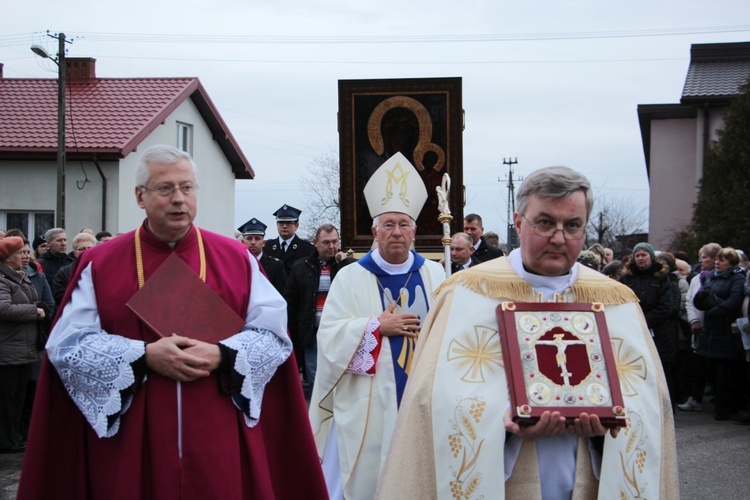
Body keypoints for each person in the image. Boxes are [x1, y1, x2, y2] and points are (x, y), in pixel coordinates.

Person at [18, 145, 327, 498]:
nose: (179, 199)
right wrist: (142, 355)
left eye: (187, 187)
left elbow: (273, 336)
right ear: (140, 196)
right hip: (134, 432)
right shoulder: (102, 263)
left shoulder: (236, 258)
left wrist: (223, 355)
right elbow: (68, 345)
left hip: (217, 424)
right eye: (165, 188)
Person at [377, 166, 677, 499]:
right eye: (545, 222)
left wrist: (602, 429)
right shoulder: (466, 295)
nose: (559, 237)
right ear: (519, 223)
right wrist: (508, 421)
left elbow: (653, 407)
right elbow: (430, 403)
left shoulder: (615, 301)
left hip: (589, 482)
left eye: (573, 225)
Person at [310, 152, 445, 500]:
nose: (396, 232)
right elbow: (328, 338)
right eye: (388, 225)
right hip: (367, 400)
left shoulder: (435, 274)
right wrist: (374, 327)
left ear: (415, 229)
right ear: (375, 230)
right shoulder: (351, 277)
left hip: (421, 396)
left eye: (403, 224)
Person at [284, 224, 355, 389]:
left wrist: (344, 262)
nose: (331, 246)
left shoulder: (346, 267)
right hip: (312, 333)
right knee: (316, 378)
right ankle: (317, 413)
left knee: (341, 377)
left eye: (335, 242)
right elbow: (290, 303)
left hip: (340, 332)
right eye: (326, 242)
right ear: (315, 242)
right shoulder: (301, 267)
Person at [0, 236, 47, 453]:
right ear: (8, 257)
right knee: (8, 400)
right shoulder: (2, 279)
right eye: (20, 253)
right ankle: (7, 440)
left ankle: (15, 437)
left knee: (19, 397)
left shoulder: (19, 276)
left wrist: (39, 306)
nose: (25, 256)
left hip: (23, 348)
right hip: (9, 349)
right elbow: (3, 309)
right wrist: (33, 311)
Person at [688, 247, 747, 420]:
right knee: (714, 370)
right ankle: (720, 407)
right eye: (717, 260)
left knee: (725, 372)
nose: (717, 263)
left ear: (731, 262)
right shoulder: (713, 276)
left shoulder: (737, 278)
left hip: (726, 329)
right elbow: (703, 295)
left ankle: (726, 409)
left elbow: (735, 300)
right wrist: (700, 299)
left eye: (722, 260)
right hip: (712, 330)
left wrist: (716, 311)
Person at [621, 242, 676, 408]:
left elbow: (666, 306)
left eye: (643, 255)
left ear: (651, 257)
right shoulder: (627, 278)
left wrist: (644, 320)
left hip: (659, 332)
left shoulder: (662, 277)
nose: (640, 258)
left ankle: (665, 407)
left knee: (662, 371)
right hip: (634, 330)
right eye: (637, 255)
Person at [263, 204, 316, 277]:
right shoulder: (267, 247)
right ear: (277, 225)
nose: (284, 226)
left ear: (297, 226)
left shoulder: (307, 249)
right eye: (281, 223)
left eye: (288, 223)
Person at [238, 217, 287, 294]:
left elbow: (282, 294)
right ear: (242, 242)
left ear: (264, 243)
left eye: (257, 238)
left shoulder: (275, 266)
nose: (253, 242)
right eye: (249, 238)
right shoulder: (237, 265)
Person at [51, 232, 97, 305]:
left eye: (90, 248)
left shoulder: (104, 270)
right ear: (75, 253)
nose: (87, 251)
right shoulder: (64, 273)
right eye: (82, 249)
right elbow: (60, 297)